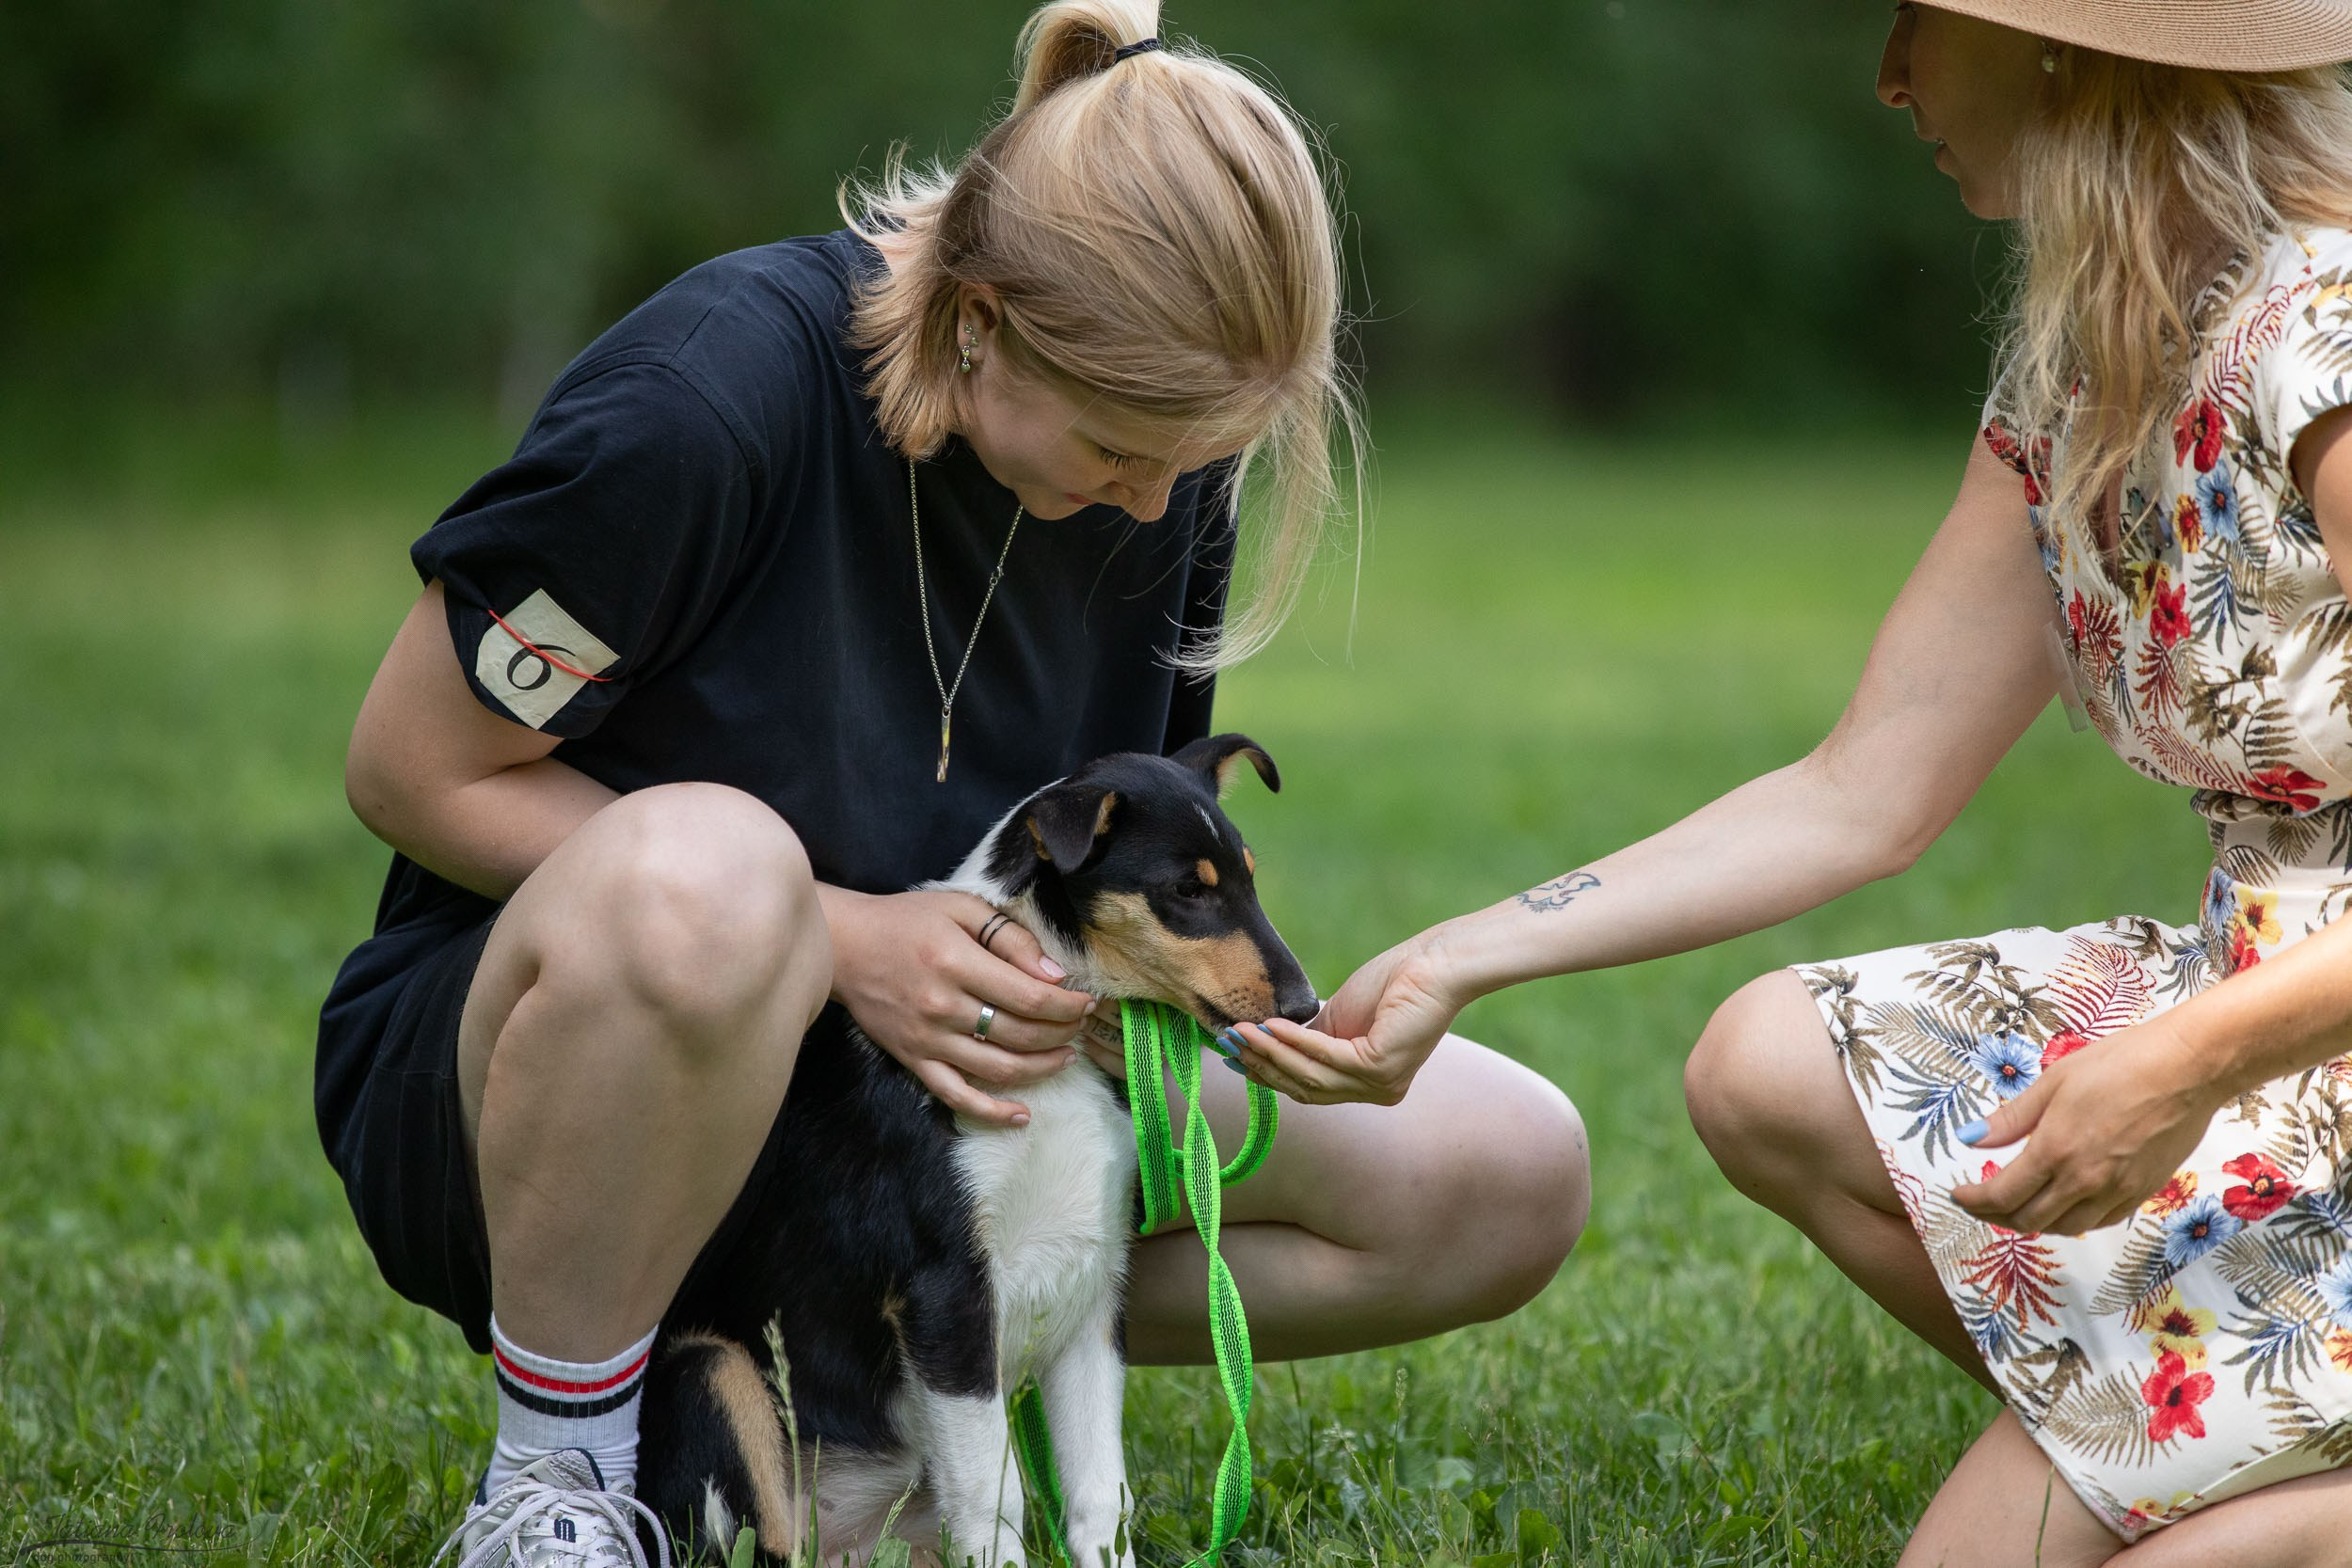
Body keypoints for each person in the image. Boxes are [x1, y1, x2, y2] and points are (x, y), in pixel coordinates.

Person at [316, 1, 1589, 1561]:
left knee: (1505, 1169)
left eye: (1198, 459)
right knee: (709, 879)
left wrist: (1234, 1013)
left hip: (929, 1117)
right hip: (561, 1063)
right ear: (980, 320)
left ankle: (913, 1385)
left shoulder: (1164, 473)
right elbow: (410, 768)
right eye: (1127, 444)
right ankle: (561, 1478)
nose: (1159, 496)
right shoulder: (702, 407)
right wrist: (843, 939)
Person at [1231, 3, 2352, 1560]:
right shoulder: (2089, 376)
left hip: (2299, 1051)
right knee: (1767, 1061)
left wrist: (2183, 1066)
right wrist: (1460, 954)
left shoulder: (2327, 346)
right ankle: (2187, 1432)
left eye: (1919, 26)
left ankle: (2225, 1463)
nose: (1889, 78)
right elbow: (1859, 789)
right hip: (2267, 1026)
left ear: (2071, 54)